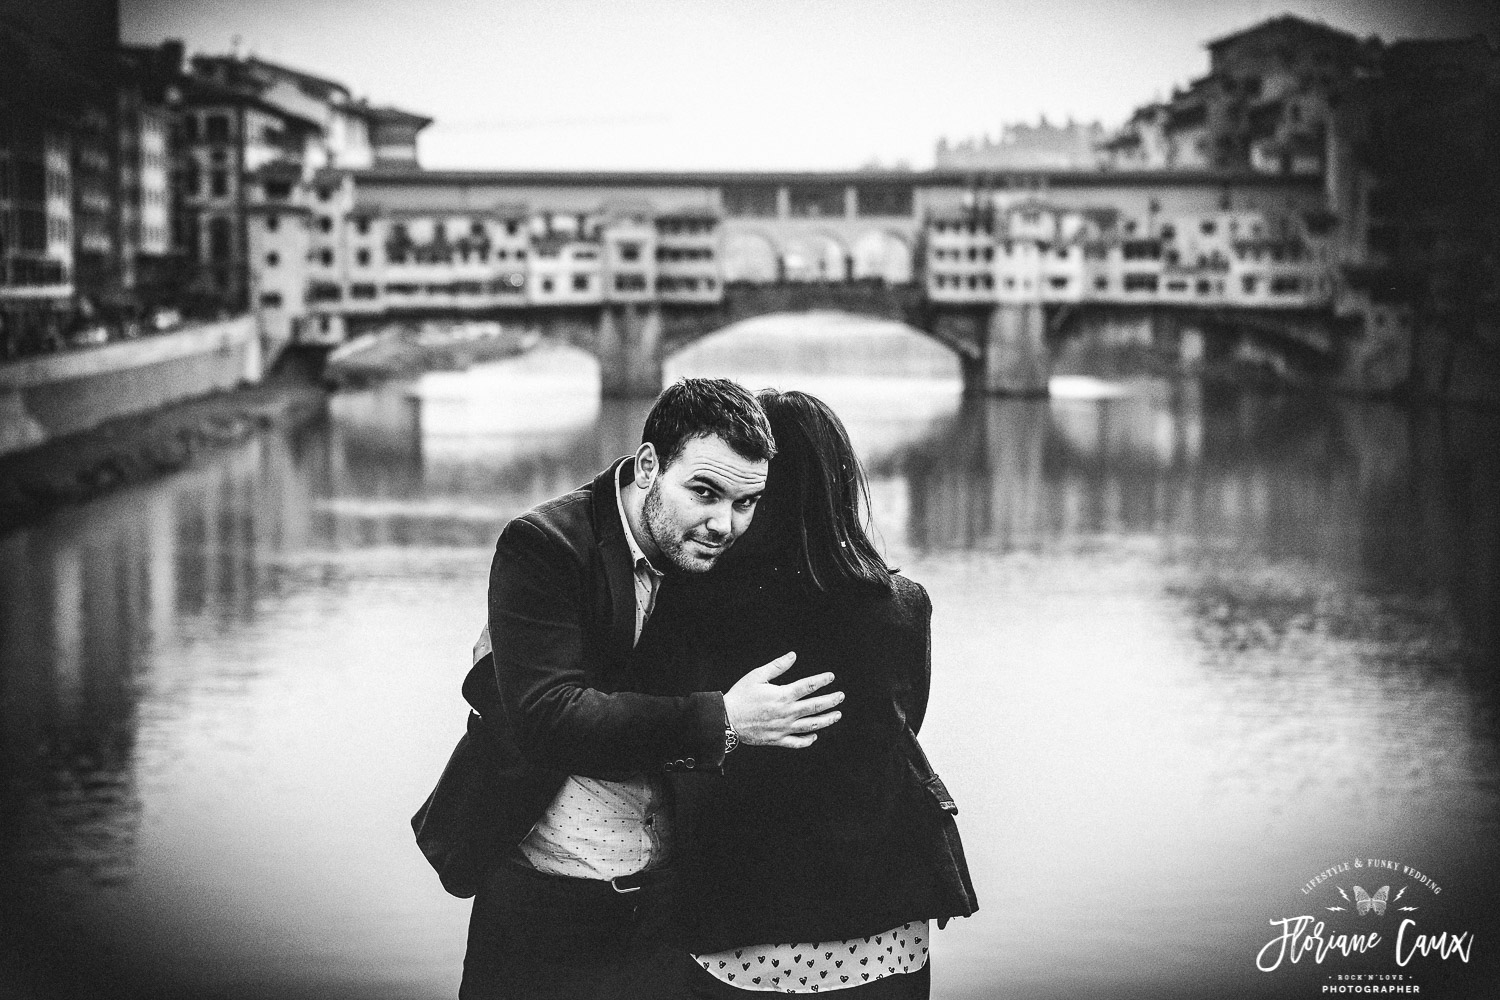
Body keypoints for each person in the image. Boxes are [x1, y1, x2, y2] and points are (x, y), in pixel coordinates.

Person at [429, 378, 847, 1000]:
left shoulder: (712, 554)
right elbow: (547, 715)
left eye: (746, 502)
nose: (724, 524)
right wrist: (724, 722)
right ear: (648, 465)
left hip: (664, 905)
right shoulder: (545, 545)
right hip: (542, 900)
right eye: (704, 492)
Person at [636, 389, 979, 998]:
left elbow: (670, 740)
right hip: (886, 919)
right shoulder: (903, 606)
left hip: (744, 921)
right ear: (840, 485)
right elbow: (902, 727)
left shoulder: (692, 606)